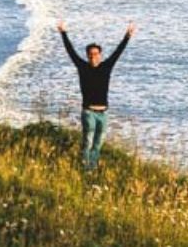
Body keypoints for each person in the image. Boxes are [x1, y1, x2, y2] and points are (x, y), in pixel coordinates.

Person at [57, 18, 134, 170]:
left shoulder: (107, 66)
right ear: (87, 56)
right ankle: (86, 169)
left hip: (103, 113)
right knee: (88, 140)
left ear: (100, 54)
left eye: (95, 54)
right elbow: (70, 51)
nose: (93, 57)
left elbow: (118, 52)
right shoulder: (82, 67)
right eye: (90, 55)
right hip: (88, 112)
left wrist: (127, 36)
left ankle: (93, 167)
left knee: (98, 144)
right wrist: (63, 33)